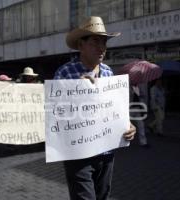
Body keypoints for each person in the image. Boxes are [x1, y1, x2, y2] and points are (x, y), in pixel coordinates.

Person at [53, 16, 136, 200]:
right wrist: (76, 93)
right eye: (95, 42)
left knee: (103, 196)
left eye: (104, 42)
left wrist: (128, 125)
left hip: (106, 152)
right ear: (81, 45)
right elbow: (56, 116)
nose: (101, 47)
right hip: (78, 155)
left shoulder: (108, 72)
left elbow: (115, 108)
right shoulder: (65, 73)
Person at [130, 83, 150, 148]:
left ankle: (143, 142)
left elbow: (143, 96)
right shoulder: (128, 87)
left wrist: (140, 93)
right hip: (129, 110)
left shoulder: (138, 87)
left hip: (137, 109)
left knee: (141, 125)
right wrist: (132, 91)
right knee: (125, 126)